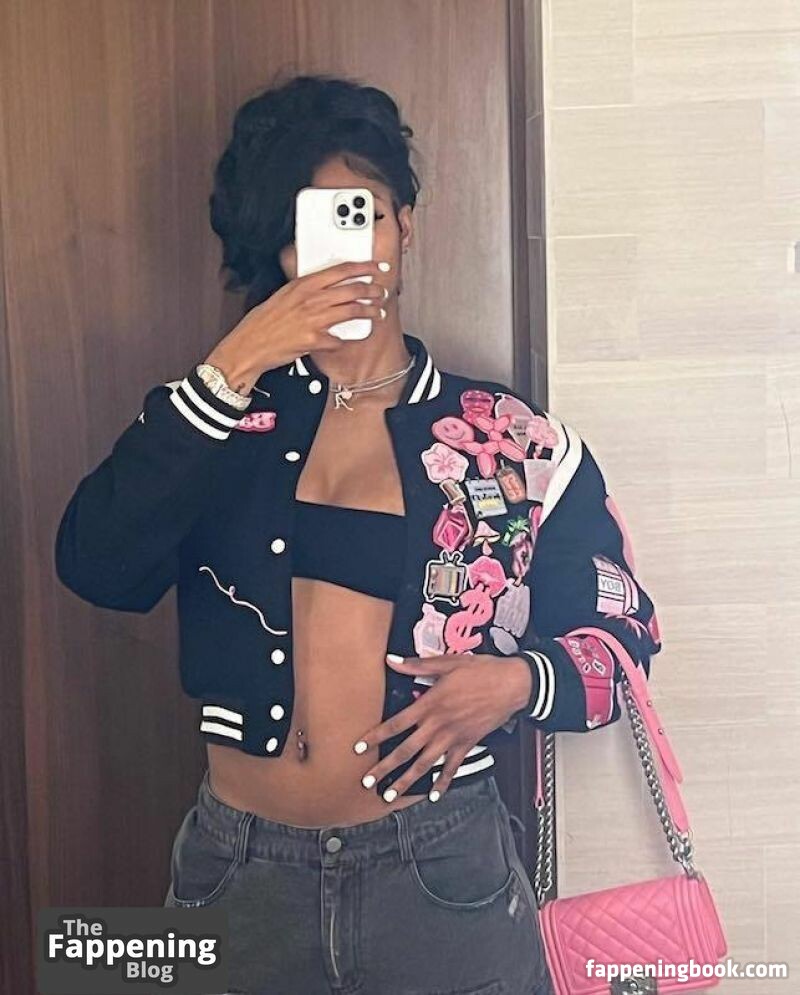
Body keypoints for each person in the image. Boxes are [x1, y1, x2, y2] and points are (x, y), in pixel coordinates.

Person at [55, 71, 661, 995]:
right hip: (238, 872)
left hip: (441, 868)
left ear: (404, 224)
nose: (341, 255)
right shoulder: (213, 420)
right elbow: (96, 565)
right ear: (278, 253)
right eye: (306, 230)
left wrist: (516, 682)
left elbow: (625, 639)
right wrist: (234, 362)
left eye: (362, 215)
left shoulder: (509, 439)